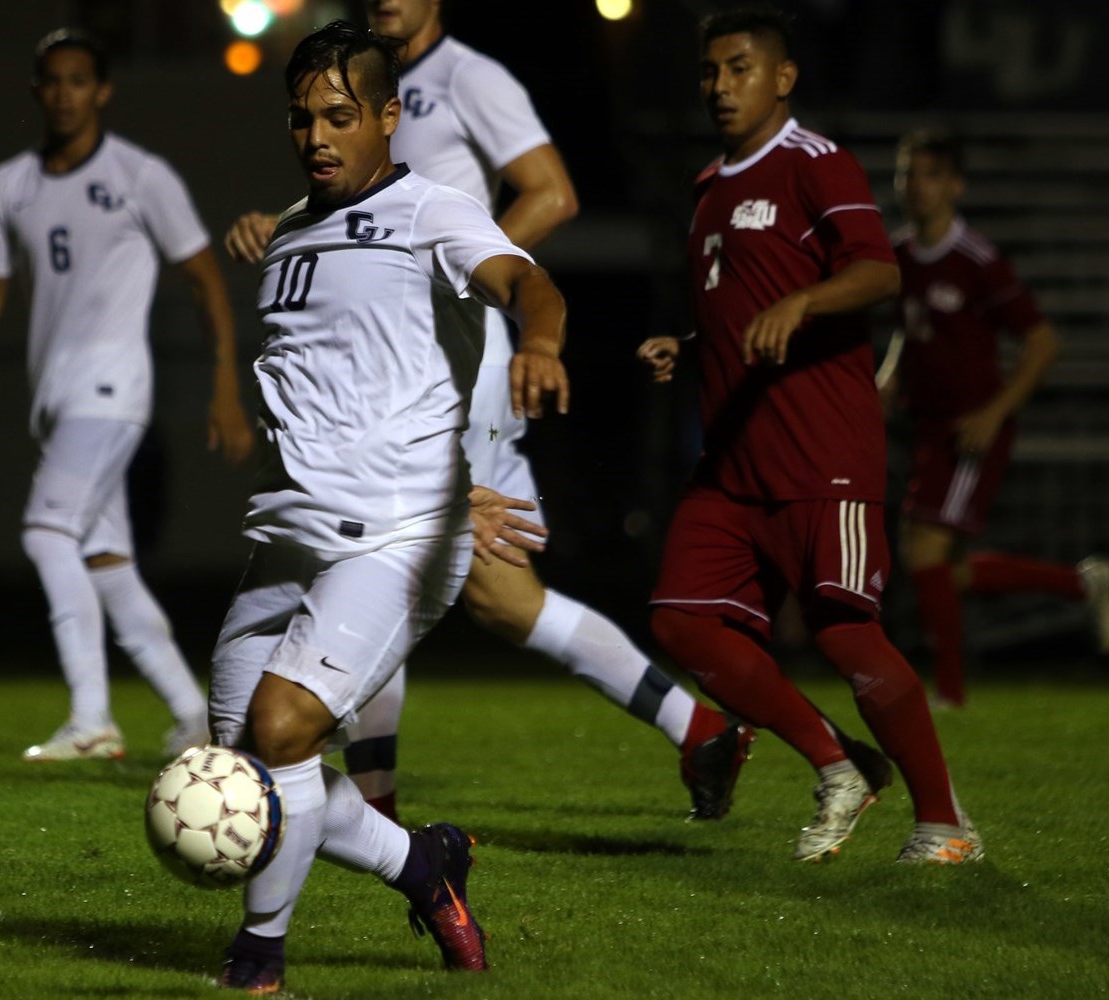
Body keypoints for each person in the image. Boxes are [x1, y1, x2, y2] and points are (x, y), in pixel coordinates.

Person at [225, 0, 754, 826]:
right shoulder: (354, 85)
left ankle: (373, 811)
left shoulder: (471, 77)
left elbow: (553, 191)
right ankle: (698, 727)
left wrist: (452, 266)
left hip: (447, 372)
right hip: (394, 363)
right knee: (502, 599)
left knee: (365, 555)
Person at [205, 21, 569, 992]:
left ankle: (257, 963)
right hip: (289, 540)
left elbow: (525, 280)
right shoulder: (290, 228)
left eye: (338, 115)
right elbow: (351, 381)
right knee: (244, 766)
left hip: (396, 540)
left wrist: (539, 341)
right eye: (301, 118)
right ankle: (422, 863)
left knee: (280, 731)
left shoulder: (430, 212)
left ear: (386, 116)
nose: (316, 136)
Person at [637, 8, 981, 865]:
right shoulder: (708, 184)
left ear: (783, 78)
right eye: (712, 72)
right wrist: (686, 346)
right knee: (681, 622)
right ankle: (838, 761)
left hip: (821, 452)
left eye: (741, 68)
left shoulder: (816, 164)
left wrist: (804, 302)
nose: (721, 86)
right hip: (732, 460)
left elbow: (875, 268)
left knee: (843, 631)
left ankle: (945, 825)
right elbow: (737, 305)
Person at [0, 30, 254, 763]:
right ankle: (190, 712)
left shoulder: (140, 176)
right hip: (57, 399)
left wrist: (225, 386)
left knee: (45, 533)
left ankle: (91, 718)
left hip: (112, 389)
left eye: (79, 80)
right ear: (36, 91)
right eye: (51, 81)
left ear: (102, 91)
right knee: (106, 563)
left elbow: (206, 278)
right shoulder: (9, 184)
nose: (64, 93)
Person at [879, 129, 1109, 707]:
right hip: (928, 425)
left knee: (925, 553)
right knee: (944, 569)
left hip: (970, 430)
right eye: (907, 172)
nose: (916, 185)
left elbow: (1042, 343)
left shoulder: (977, 260)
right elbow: (907, 327)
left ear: (957, 185)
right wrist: (888, 375)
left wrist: (992, 414)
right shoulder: (900, 255)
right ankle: (1081, 584)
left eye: (931, 174)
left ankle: (951, 694)